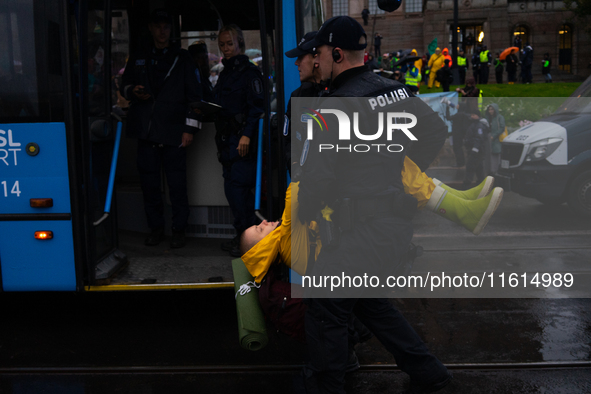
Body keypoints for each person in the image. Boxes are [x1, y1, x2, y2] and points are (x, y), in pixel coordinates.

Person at [295, 16, 454, 393]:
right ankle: (430, 374)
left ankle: (326, 386)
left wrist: (304, 214)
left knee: (324, 306)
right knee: (369, 303)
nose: (316, 61)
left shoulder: (332, 107)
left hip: (360, 231)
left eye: (319, 54)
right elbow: (435, 131)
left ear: (336, 53)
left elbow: (316, 179)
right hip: (392, 226)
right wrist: (395, 166)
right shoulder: (395, 90)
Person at [120, 8, 202, 248]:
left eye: (166, 26)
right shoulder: (138, 56)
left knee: (177, 186)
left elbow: (195, 98)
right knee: (150, 186)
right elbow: (124, 87)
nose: (162, 30)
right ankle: (156, 229)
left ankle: (179, 230)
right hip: (146, 132)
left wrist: (189, 129)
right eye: (157, 26)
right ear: (150, 28)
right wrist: (133, 90)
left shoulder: (182, 58)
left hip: (174, 132)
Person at [212, 24, 265, 257]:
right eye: (222, 45)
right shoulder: (225, 74)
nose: (226, 49)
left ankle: (250, 243)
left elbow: (257, 108)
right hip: (226, 144)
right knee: (233, 194)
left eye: (229, 43)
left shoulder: (249, 73)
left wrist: (246, 135)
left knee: (241, 194)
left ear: (240, 44)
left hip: (242, 142)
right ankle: (243, 239)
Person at [463, 111, 490, 188]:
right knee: (479, 168)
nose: (472, 116)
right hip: (475, 150)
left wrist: (475, 150)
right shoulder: (474, 124)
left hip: (476, 151)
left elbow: (479, 138)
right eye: (471, 114)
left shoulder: (479, 125)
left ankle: (466, 187)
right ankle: (481, 186)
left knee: (470, 167)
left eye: (473, 115)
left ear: (478, 116)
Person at [486, 103, 505, 174]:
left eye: (492, 109)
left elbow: (502, 128)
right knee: (491, 154)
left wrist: (494, 135)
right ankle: (492, 170)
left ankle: (497, 170)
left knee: (497, 154)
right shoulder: (489, 118)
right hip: (490, 138)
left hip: (496, 139)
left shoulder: (499, 117)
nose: (490, 111)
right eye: (489, 110)